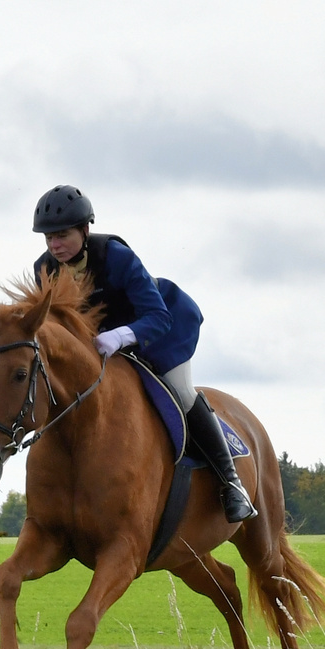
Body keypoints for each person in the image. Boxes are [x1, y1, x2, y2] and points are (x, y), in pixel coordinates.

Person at [29, 185, 256, 523]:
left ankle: (231, 483)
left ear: (85, 230)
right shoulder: (44, 268)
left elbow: (159, 316)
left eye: (62, 235)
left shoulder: (116, 256)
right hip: (101, 346)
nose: (54, 245)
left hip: (161, 330)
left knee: (179, 391)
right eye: (48, 238)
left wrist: (121, 336)